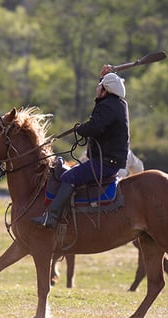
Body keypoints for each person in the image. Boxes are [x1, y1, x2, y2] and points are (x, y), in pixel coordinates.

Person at [32, 65, 130, 229]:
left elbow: (94, 127)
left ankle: (52, 217)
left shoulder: (107, 106)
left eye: (100, 86)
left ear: (105, 91)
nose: (97, 88)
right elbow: (105, 92)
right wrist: (105, 75)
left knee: (69, 177)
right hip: (110, 161)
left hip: (104, 163)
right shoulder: (117, 103)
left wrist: (80, 129)